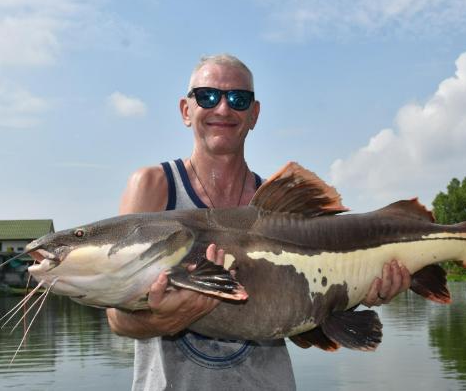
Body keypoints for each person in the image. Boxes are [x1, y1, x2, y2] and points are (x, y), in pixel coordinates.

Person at [106, 54, 411, 390]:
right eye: (208, 96)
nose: (223, 108)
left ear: (254, 114)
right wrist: (163, 319)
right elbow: (117, 318)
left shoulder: (280, 206)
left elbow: (302, 311)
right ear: (185, 110)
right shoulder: (154, 186)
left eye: (238, 99)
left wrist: (358, 289)